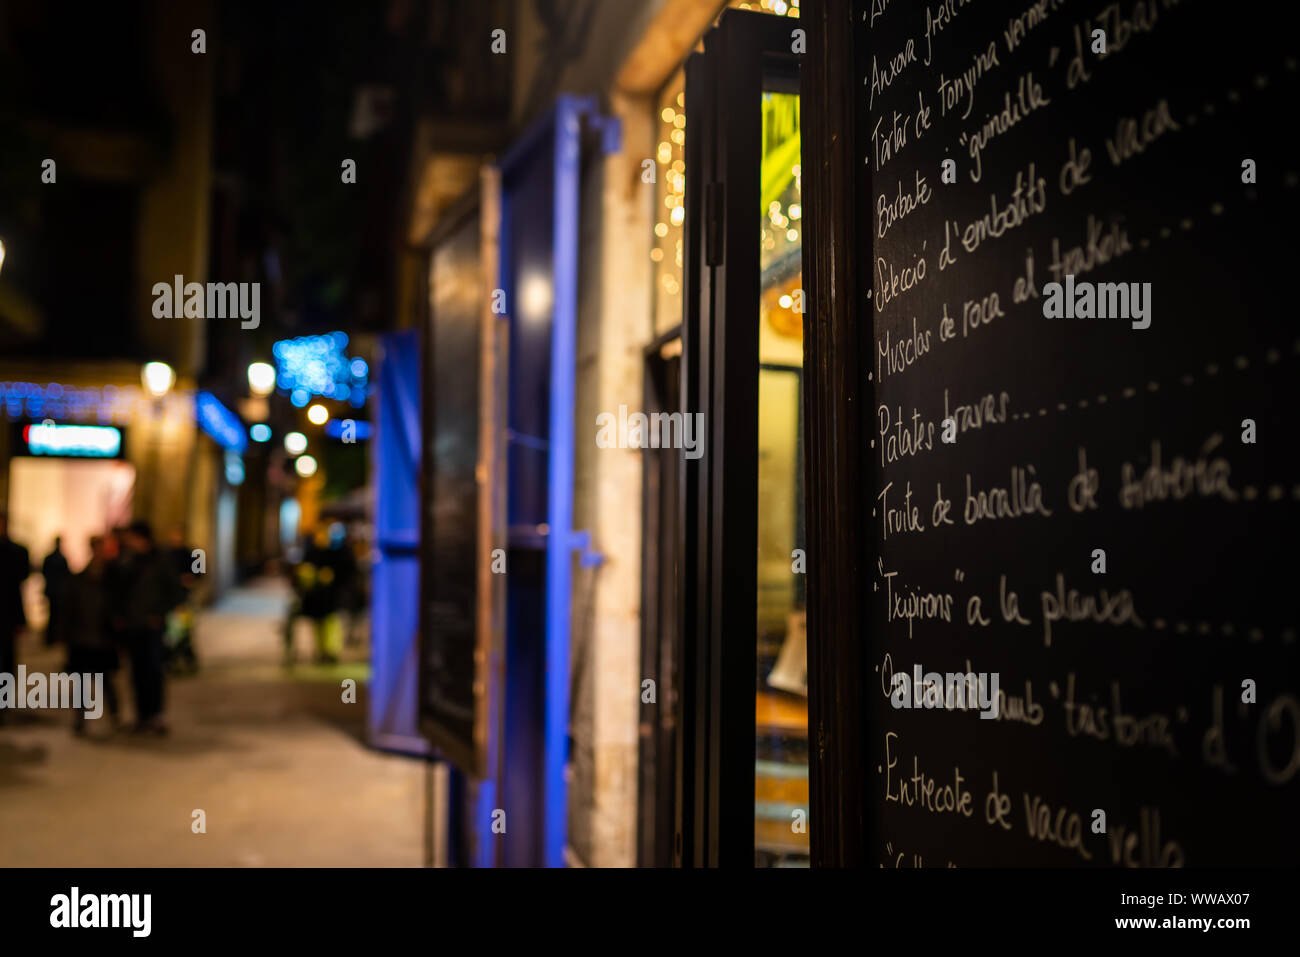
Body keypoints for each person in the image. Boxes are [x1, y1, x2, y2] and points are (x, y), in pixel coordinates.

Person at [115, 521, 181, 734]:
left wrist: (159, 614)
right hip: (134, 625)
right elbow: (120, 591)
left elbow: (175, 591)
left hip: (153, 626)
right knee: (136, 672)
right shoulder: (128, 560)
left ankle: (156, 715)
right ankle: (141, 716)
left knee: (154, 671)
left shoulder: (161, 561)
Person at [65, 536, 121, 735]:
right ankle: (80, 718)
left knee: (105, 680)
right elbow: (71, 609)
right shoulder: (80, 579)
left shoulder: (112, 578)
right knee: (81, 681)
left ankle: (115, 715)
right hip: (83, 637)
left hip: (102, 638)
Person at [0, 514, 31, 722]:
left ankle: (4, 701)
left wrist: (20, 620)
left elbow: (18, 582)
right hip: (9, 612)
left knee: (6, 659)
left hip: (8, 614)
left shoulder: (17, 551)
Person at [162, 526, 199, 675]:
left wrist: (190, 578)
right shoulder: (165, 554)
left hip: (184, 599)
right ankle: (172, 660)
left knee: (184, 630)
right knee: (172, 632)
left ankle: (187, 659)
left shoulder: (192, 553)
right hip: (170, 599)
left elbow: (199, 573)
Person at [41, 536, 71, 647]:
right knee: (56, 615)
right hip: (58, 590)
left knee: (53, 615)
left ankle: (51, 638)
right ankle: (53, 638)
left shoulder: (50, 558)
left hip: (52, 590)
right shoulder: (61, 558)